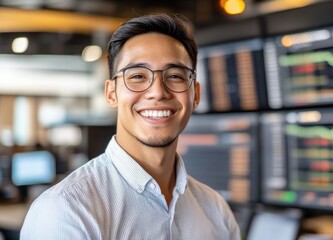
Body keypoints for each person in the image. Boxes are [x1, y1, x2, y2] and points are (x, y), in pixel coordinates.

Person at [20, 13, 241, 240]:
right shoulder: (66, 210)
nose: (157, 92)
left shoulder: (215, 211)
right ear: (111, 93)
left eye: (175, 75)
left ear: (195, 94)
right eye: (137, 76)